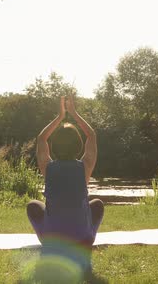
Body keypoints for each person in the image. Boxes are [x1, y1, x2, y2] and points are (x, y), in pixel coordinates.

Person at [27, 95, 104, 274]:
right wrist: (74, 114)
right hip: (82, 238)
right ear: (78, 145)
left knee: (33, 205)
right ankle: (85, 240)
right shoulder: (85, 167)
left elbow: (41, 139)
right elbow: (91, 136)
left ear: (54, 146)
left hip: (53, 239)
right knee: (97, 204)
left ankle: (49, 243)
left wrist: (60, 116)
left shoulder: (48, 168)